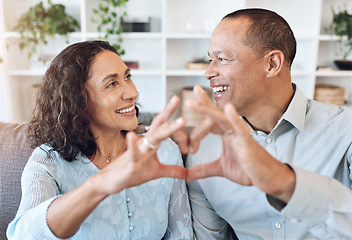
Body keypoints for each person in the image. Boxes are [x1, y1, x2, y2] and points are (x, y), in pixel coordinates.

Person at [185, 8, 352, 239]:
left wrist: (285, 183)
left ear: (272, 63)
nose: (208, 72)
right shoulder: (203, 151)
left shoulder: (346, 130)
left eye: (222, 59)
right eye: (210, 60)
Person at [7, 40, 193, 240]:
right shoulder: (48, 161)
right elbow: (22, 235)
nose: (132, 93)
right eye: (112, 84)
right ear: (77, 100)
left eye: (127, 77)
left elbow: (182, 236)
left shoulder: (162, 150)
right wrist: (99, 185)